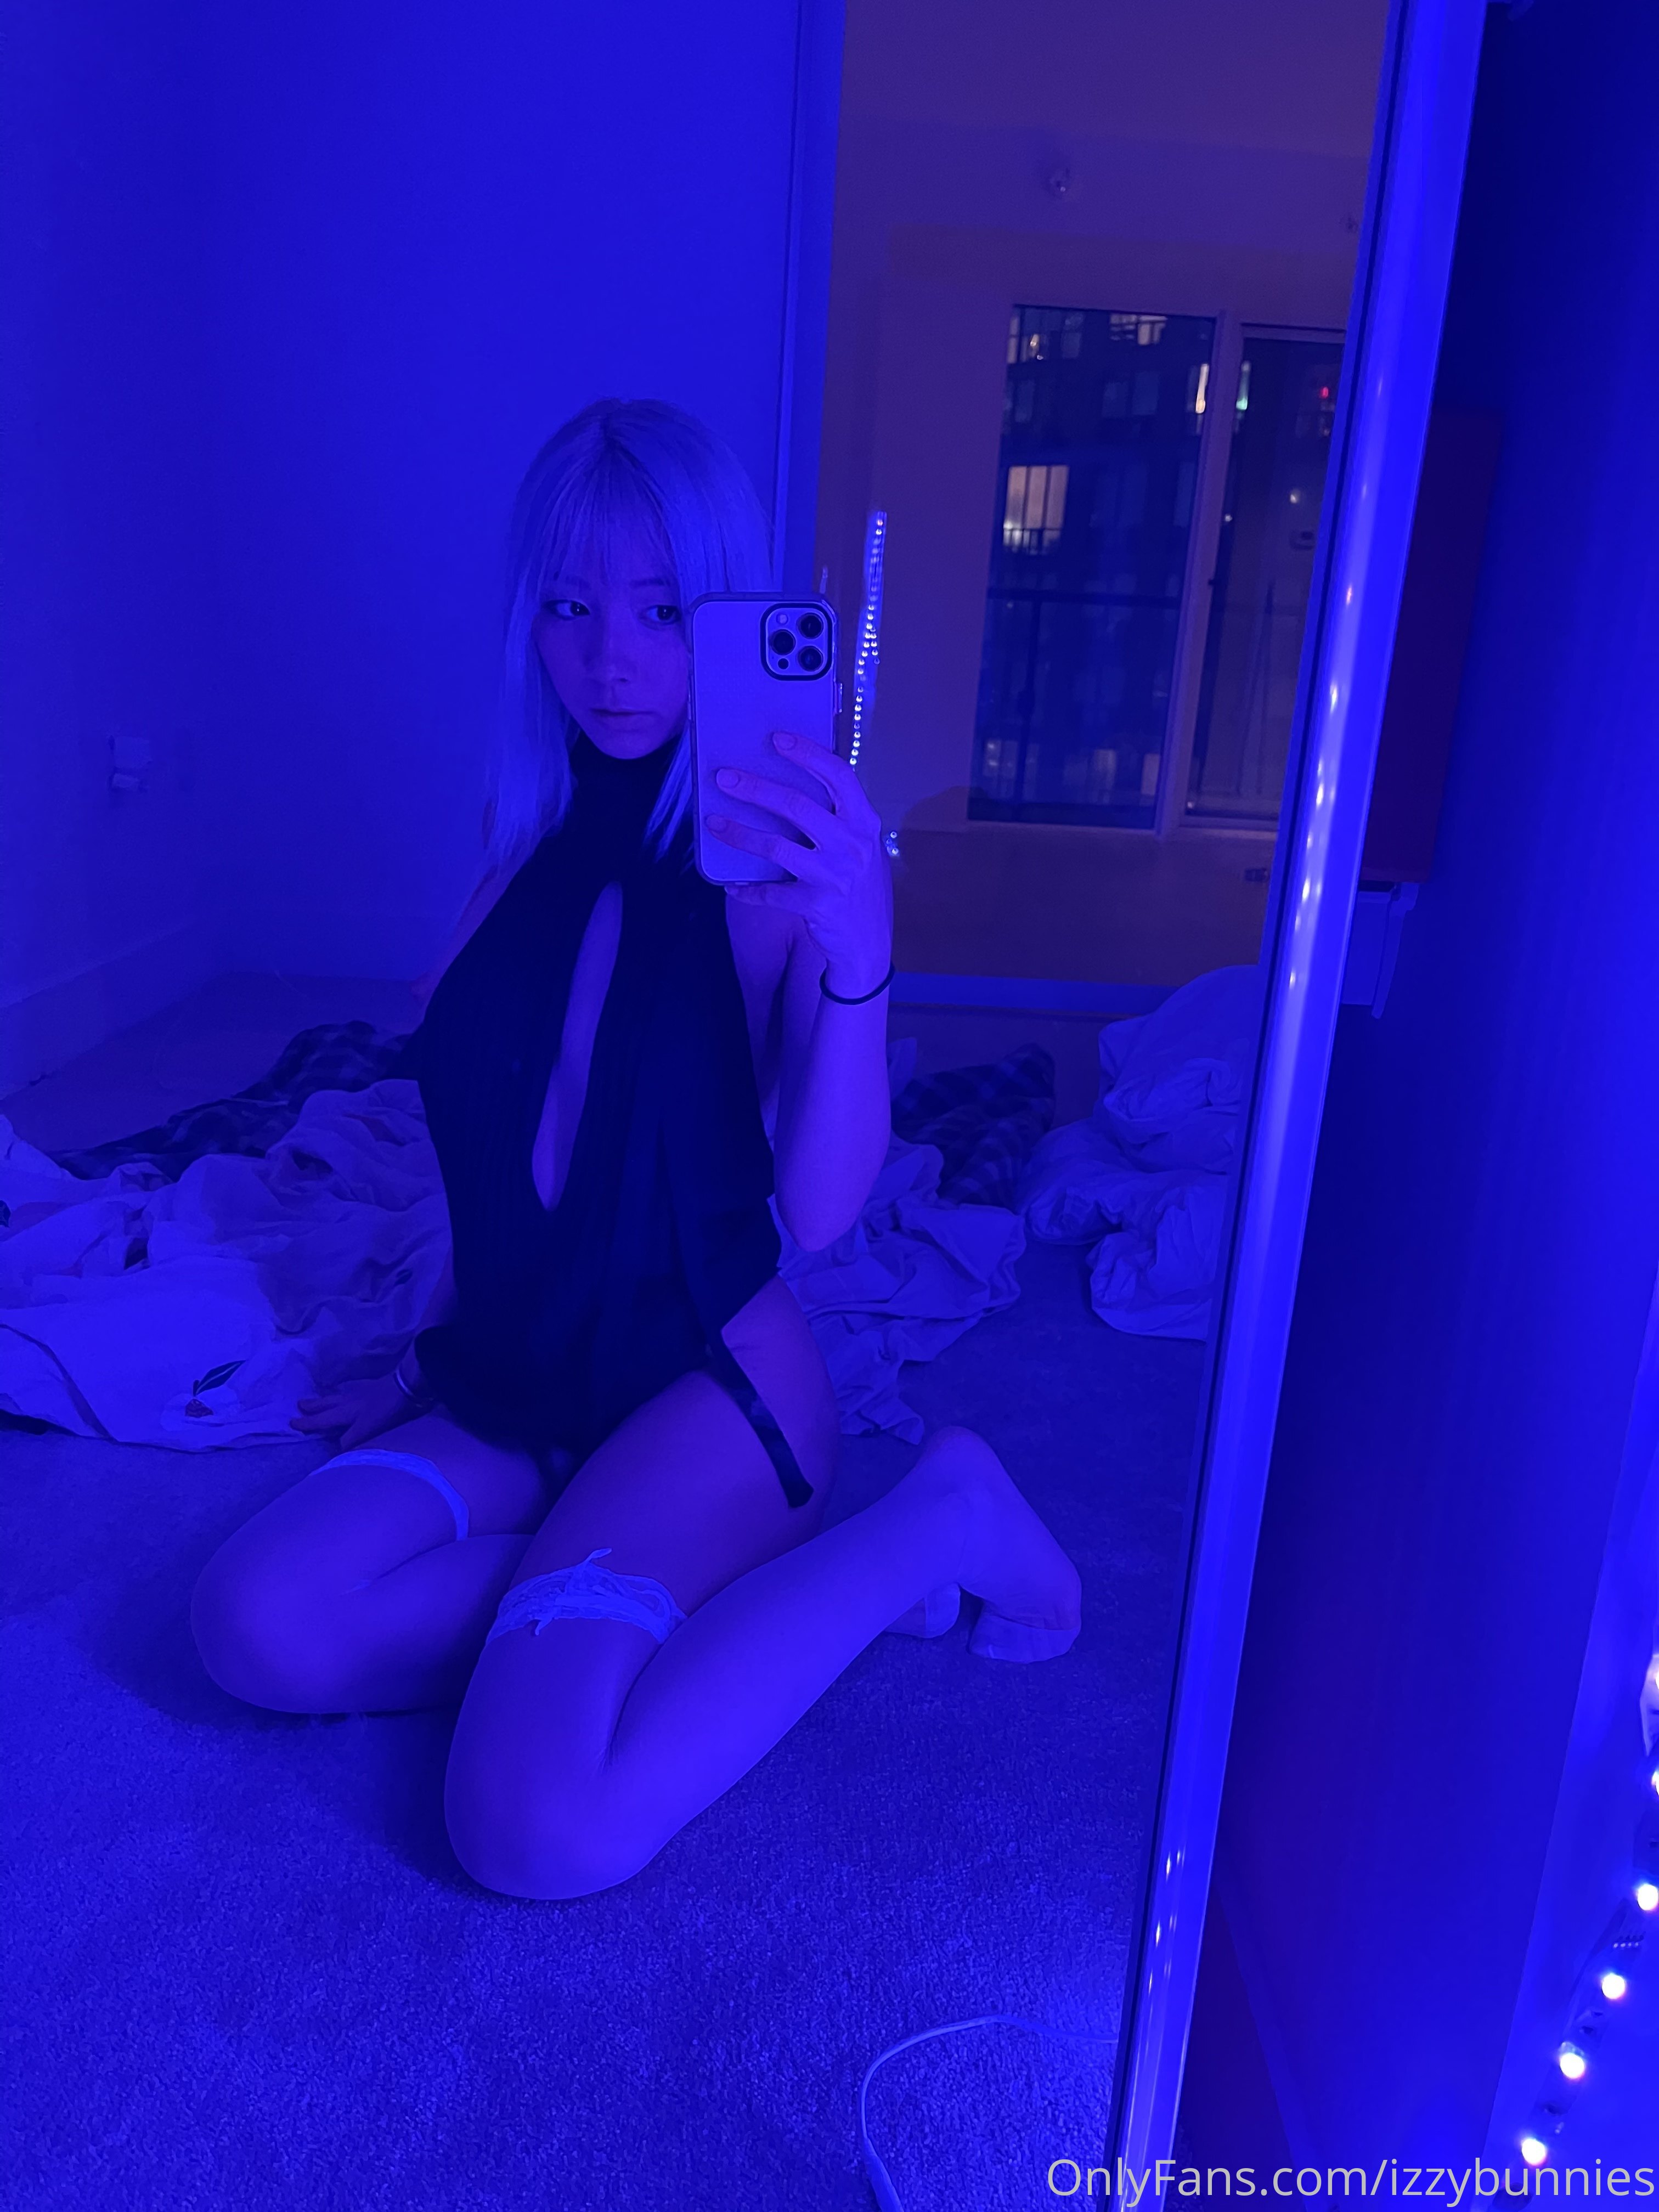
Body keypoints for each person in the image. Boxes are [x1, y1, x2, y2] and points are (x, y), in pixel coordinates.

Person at [189, 399, 1081, 1900]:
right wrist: (412, 1363)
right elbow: (501, 1151)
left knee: (538, 1827)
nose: (611, 658)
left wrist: (862, 951)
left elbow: (822, 1207)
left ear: (727, 614)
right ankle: (629, 1576)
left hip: (706, 1388)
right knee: (254, 1625)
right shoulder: (517, 839)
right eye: (569, 607)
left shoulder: (775, 877)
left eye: (665, 611)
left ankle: (942, 1516)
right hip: (515, 1383)